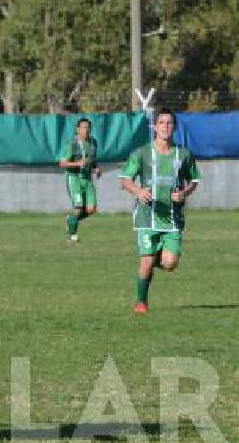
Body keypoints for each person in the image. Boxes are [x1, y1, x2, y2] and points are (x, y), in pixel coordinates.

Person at [119, 107, 200, 313]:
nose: (165, 127)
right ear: (155, 126)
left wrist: (184, 193)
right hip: (147, 218)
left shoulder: (183, 154)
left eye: (169, 123)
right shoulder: (142, 153)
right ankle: (141, 302)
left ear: (174, 127)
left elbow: (194, 180)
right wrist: (138, 191)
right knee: (145, 264)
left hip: (173, 220)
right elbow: (125, 180)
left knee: (170, 264)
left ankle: (152, 258)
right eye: (161, 123)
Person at [58, 117, 102, 242]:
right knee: (78, 209)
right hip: (74, 178)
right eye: (83, 127)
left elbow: (92, 160)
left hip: (87, 179)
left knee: (91, 209)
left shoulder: (93, 143)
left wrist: (96, 168)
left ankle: (70, 220)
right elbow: (62, 163)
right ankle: (72, 237)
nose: (86, 130)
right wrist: (77, 164)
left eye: (88, 128)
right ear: (77, 129)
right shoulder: (72, 144)